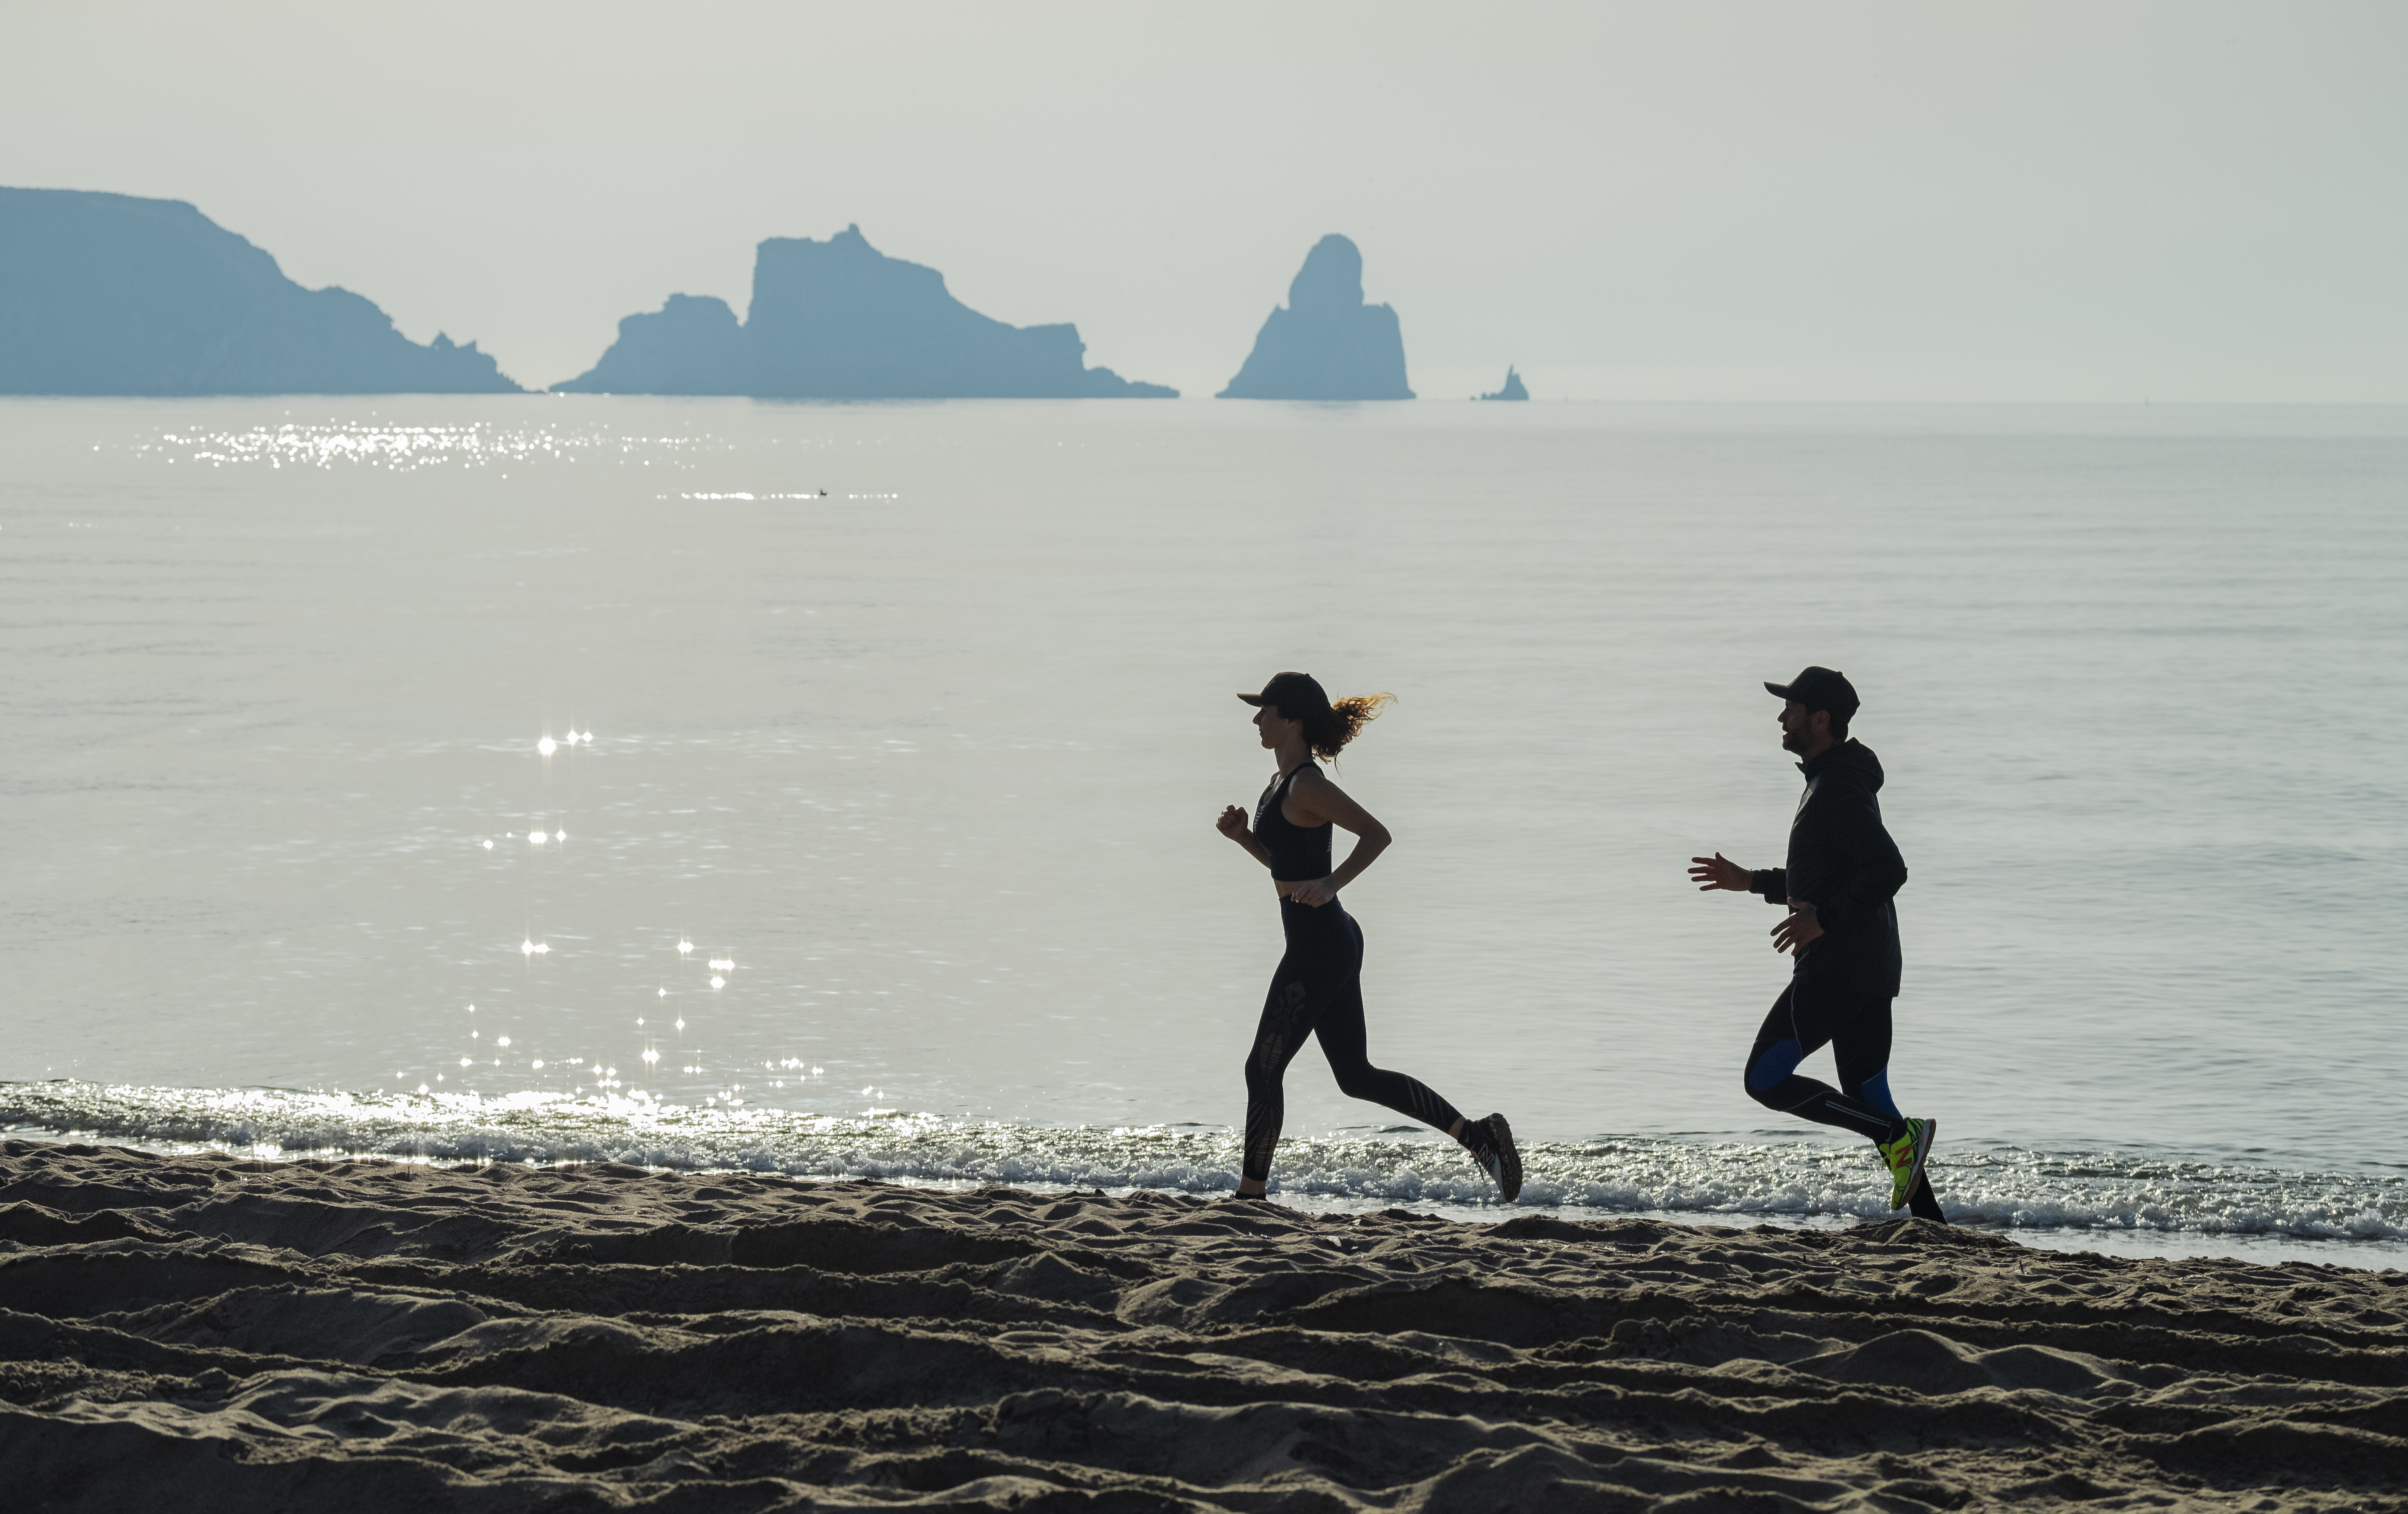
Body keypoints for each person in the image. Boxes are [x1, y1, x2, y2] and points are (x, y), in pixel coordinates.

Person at [1216, 672, 1521, 1203]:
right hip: (1326, 940)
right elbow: (1286, 867)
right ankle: (1478, 1136)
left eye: (1264, 710)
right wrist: (1245, 839)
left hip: (1321, 945)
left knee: (1262, 1067)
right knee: (1355, 1076)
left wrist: (1332, 884)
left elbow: (1376, 834)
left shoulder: (1308, 785)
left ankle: (1250, 1197)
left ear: (1291, 719)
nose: (1256, 719)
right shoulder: (1277, 784)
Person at [1687, 667, 1944, 1220]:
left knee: (1764, 1078)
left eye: (1792, 708)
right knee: (1871, 1096)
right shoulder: (1830, 780)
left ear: (1820, 719)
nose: (1781, 717)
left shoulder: (1836, 789)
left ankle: (1900, 1138)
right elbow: (1828, 875)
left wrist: (1823, 921)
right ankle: (1934, 1233)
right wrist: (1751, 881)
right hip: (1867, 965)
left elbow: (1886, 870)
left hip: (1838, 966)